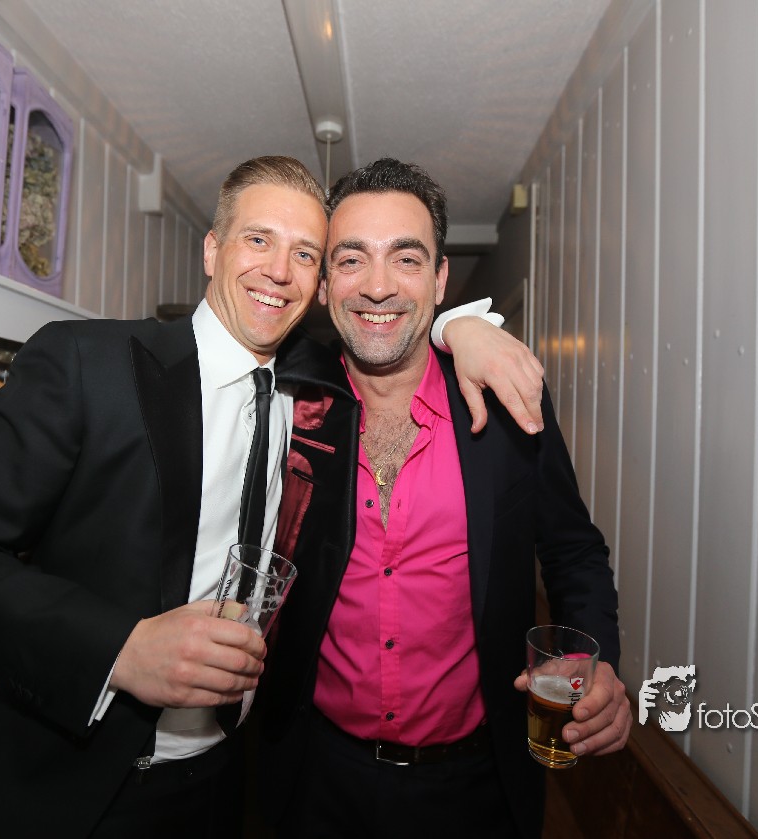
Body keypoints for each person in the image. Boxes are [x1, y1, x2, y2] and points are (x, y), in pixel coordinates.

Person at [0, 155, 545, 838]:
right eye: (258, 239)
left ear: (319, 282)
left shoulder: (315, 386)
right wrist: (121, 651)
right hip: (79, 788)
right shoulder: (89, 363)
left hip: (230, 783)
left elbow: (387, 325)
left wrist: (460, 328)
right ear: (212, 249)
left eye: (304, 253)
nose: (279, 270)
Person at [259, 158, 632, 839]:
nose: (378, 285)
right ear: (324, 284)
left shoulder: (505, 398)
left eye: (406, 258)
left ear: (439, 280)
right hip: (316, 774)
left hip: (475, 785)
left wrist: (596, 656)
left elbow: (573, 549)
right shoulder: (290, 397)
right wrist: (456, 324)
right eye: (352, 259)